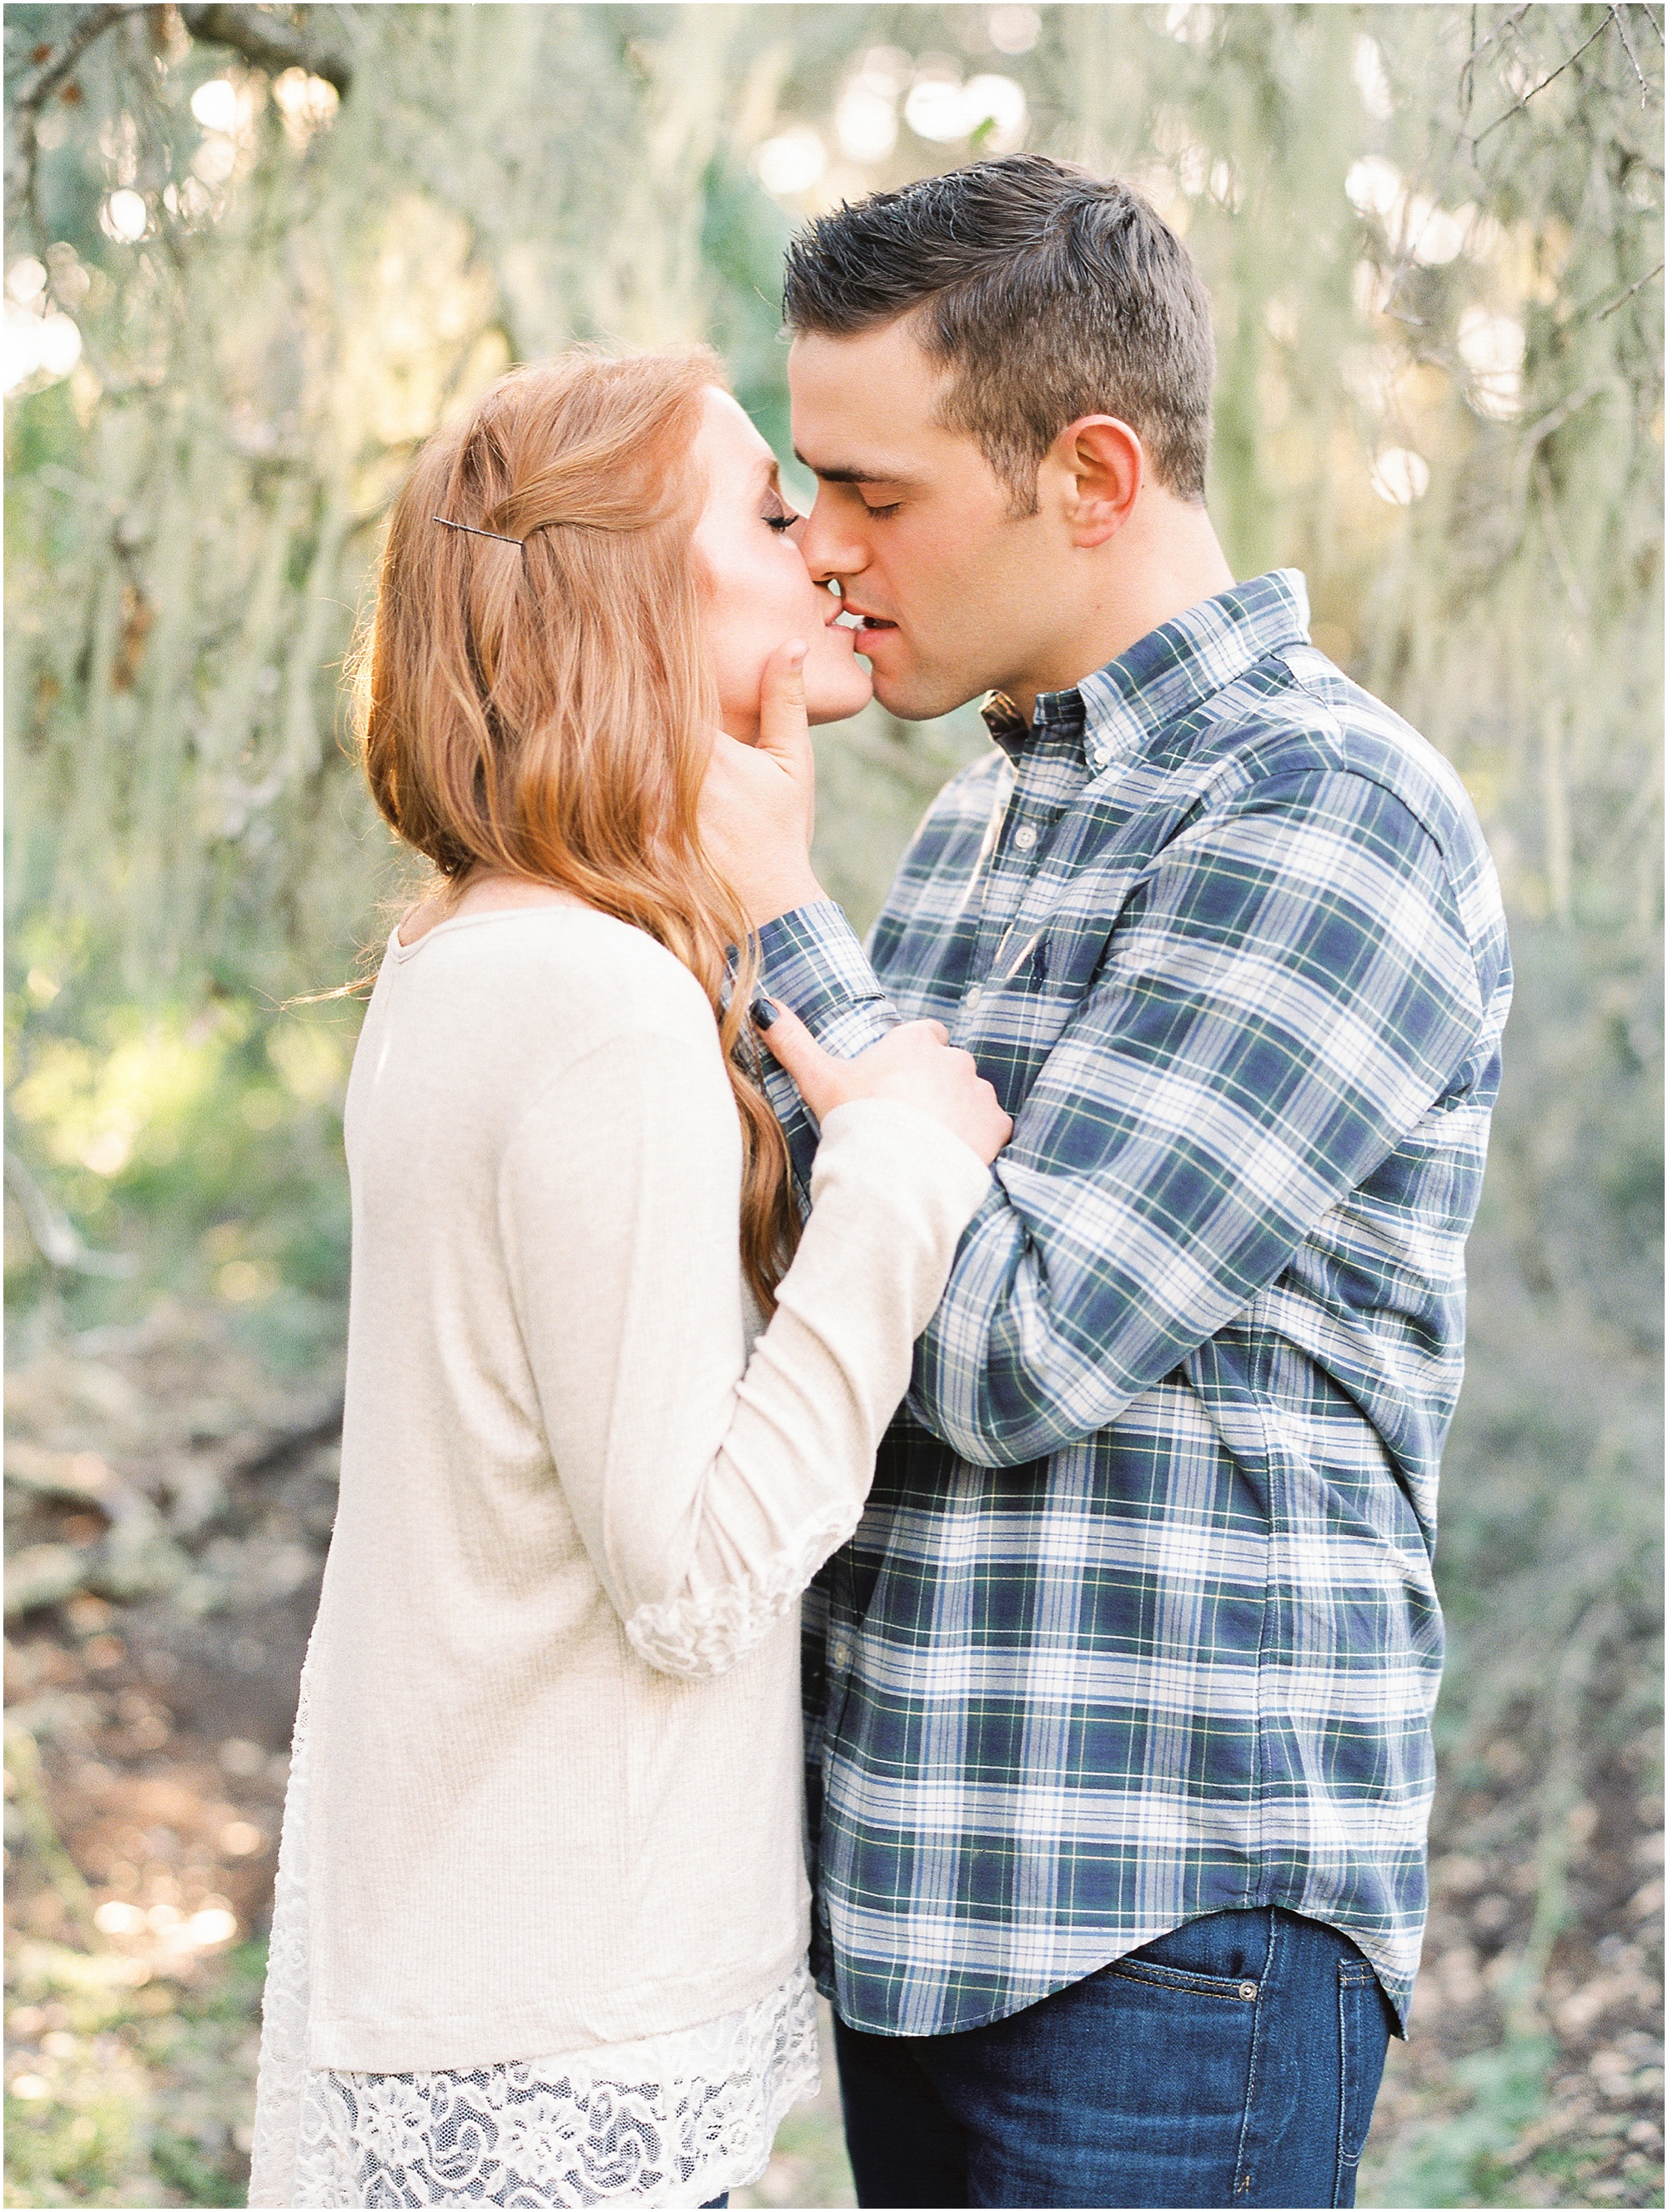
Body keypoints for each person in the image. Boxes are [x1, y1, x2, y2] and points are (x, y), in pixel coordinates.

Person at [698, 154, 1514, 2210]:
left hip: (1166, 1925)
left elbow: (999, 1346)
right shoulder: (977, 833)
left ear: (1087, 473)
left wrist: (769, 901)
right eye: (807, 489)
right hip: (920, 1904)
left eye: (875, 494)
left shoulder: (1325, 815)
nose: (825, 545)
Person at [246, 346, 1011, 2211]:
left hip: (491, 1959)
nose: (827, 552)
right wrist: (899, 1180)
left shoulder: (489, 956)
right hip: (550, 2015)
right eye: (767, 516)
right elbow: (686, 1575)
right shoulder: (588, 1004)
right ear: (621, 598)